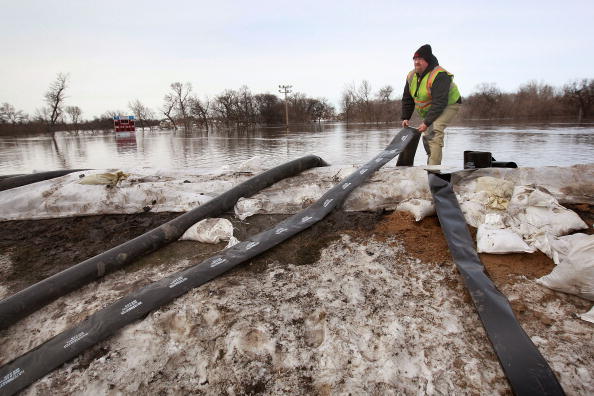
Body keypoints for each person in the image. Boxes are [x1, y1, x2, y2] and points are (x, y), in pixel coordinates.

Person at [401, 44, 462, 165]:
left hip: (449, 104)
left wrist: (426, 122)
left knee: (435, 130)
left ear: (427, 61)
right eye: (415, 59)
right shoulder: (411, 76)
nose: (416, 62)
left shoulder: (439, 75)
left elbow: (440, 102)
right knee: (428, 135)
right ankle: (431, 161)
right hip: (432, 108)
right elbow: (407, 98)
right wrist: (405, 117)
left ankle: (434, 172)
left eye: (420, 59)